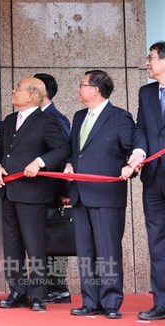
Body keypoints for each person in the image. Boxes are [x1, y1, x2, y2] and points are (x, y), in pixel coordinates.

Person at [0, 77, 69, 312]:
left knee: (34, 245)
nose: (13, 91)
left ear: (33, 95)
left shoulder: (47, 121)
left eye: (18, 89)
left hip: (33, 193)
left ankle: (38, 294)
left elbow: (62, 149)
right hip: (8, 192)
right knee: (12, 244)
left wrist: (39, 162)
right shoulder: (9, 120)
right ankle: (17, 290)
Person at [62, 70, 132, 320]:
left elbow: (131, 151)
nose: (79, 89)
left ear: (96, 89)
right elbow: (74, 152)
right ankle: (90, 301)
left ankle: (111, 301)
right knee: (85, 251)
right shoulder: (79, 116)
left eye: (82, 85)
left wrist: (129, 167)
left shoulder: (120, 117)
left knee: (108, 251)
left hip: (107, 196)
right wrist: (69, 164)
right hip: (80, 194)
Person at [128, 41, 165, 321]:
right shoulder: (147, 92)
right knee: (157, 242)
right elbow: (141, 128)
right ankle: (161, 302)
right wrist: (138, 153)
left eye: (151, 58)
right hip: (153, 178)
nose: (147, 63)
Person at [33, 72, 73, 305]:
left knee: (53, 239)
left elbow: (64, 154)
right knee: (43, 238)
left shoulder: (55, 118)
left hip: (52, 189)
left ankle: (58, 286)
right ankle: (49, 285)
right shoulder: (35, 117)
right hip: (39, 190)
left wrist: (65, 192)